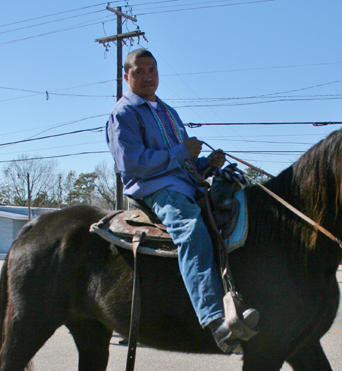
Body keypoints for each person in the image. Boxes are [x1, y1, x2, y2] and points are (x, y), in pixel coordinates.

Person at [106, 48, 258, 353]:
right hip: (156, 189)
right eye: (140, 71)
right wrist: (181, 152)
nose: (147, 76)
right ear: (127, 76)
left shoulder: (168, 112)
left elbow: (184, 164)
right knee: (191, 230)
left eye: (153, 70)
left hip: (187, 183)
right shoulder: (123, 114)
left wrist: (206, 165)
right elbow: (131, 164)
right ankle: (216, 320)